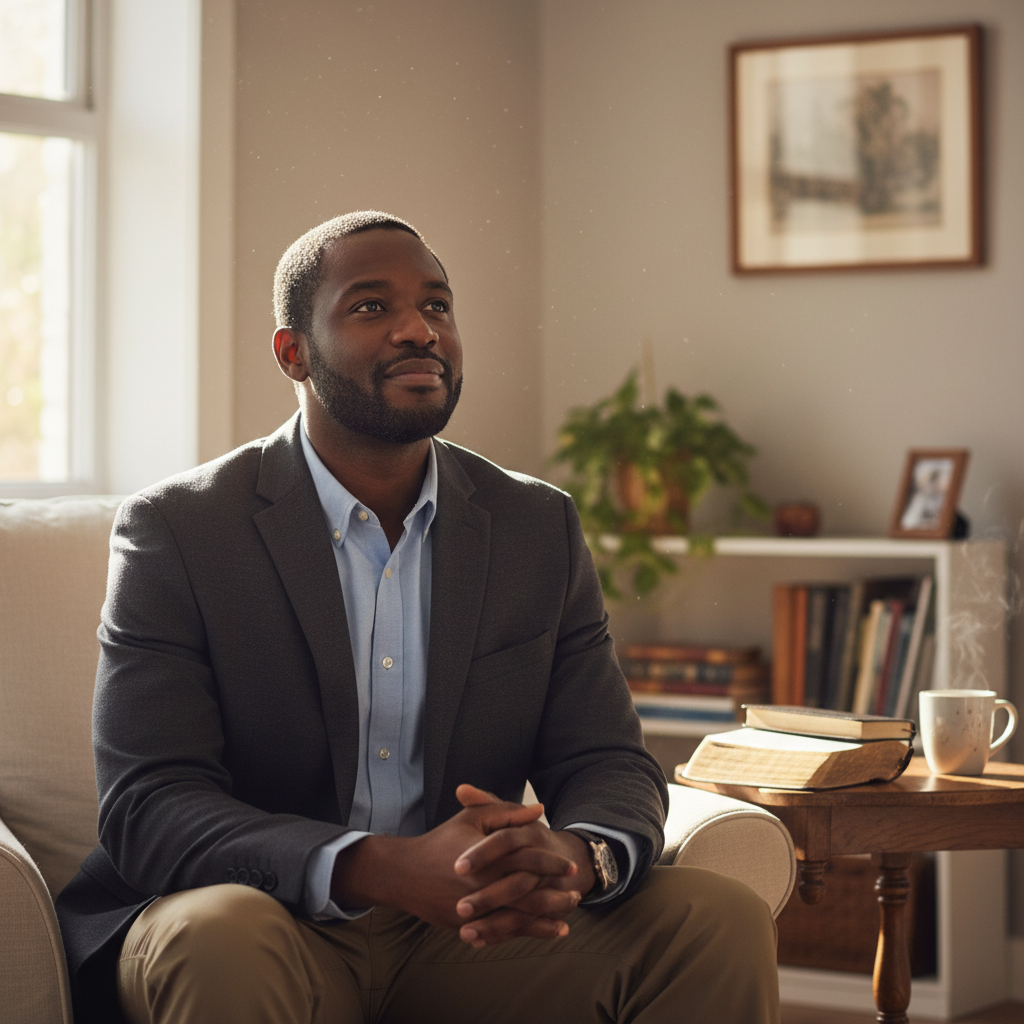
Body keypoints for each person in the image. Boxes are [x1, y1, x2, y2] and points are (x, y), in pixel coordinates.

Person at [56, 211, 779, 1024]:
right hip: (267, 918)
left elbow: (607, 759)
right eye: (371, 307)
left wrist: (578, 857)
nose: (418, 330)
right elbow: (148, 805)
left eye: (437, 305)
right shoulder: (180, 530)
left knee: (715, 920)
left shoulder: (535, 525)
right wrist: (376, 867)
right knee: (220, 931)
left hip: (470, 934)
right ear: (293, 352)